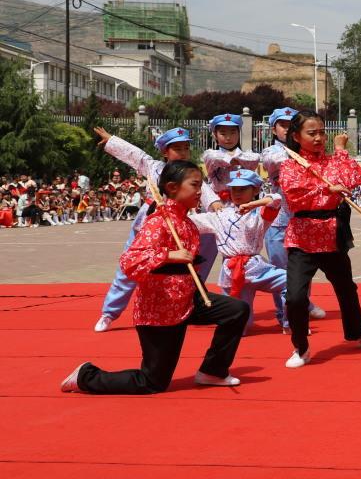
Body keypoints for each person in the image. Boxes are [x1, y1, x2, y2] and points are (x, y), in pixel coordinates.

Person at [61, 160, 250, 394]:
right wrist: (169, 254)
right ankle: (85, 376)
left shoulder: (187, 222)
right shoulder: (158, 222)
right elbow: (130, 262)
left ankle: (213, 370)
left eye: (201, 185)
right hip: (160, 309)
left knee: (236, 310)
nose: (200, 192)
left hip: (189, 299)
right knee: (153, 382)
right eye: (194, 185)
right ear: (172, 188)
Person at [278, 110, 361, 368]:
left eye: (321, 132)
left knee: (346, 288)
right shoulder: (290, 164)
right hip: (302, 236)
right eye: (311, 133)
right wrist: (326, 188)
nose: (318, 138)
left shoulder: (332, 161)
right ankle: (300, 346)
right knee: (295, 296)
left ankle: (358, 333)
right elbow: (293, 195)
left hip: (331, 234)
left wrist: (341, 150)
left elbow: (354, 178)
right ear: (296, 136)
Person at [91, 126, 222, 333]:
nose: (182, 152)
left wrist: (215, 204)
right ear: (164, 151)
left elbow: (204, 191)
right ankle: (109, 313)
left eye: (185, 148)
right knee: (129, 269)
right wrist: (111, 141)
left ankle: (191, 306)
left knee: (191, 264)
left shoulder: (189, 173)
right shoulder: (153, 167)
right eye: (176, 148)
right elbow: (134, 154)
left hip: (177, 228)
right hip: (149, 225)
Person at [188, 169, 289, 335]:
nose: (237, 193)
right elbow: (188, 222)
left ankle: (290, 323)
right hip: (231, 271)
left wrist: (254, 204)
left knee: (292, 282)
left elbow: (276, 199)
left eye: (243, 189)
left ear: (255, 190)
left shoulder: (261, 214)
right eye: (234, 189)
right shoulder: (219, 215)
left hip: (256, 268)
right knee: (240, 328)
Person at [259, 106, 325, 325]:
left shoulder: (311, 154)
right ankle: (285, 315)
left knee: (303, 267)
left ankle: (302, 304)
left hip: (302, 217)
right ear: (274, 129)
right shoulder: (272, 152)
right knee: (280, 269)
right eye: (283, 126)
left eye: (291, 126)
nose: (287, 130)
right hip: (279, 219)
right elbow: (278, 161)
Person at [201, 113, 260, 202]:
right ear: (215, 135)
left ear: (239, 134)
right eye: (223, 133)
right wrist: (235, 160)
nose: (228, 138)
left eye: (233, 133)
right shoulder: (211, 154)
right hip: (218, 202)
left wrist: (235, 159)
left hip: (243, 202)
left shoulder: (247, 154)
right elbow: (214, 158)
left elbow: (255, 159)